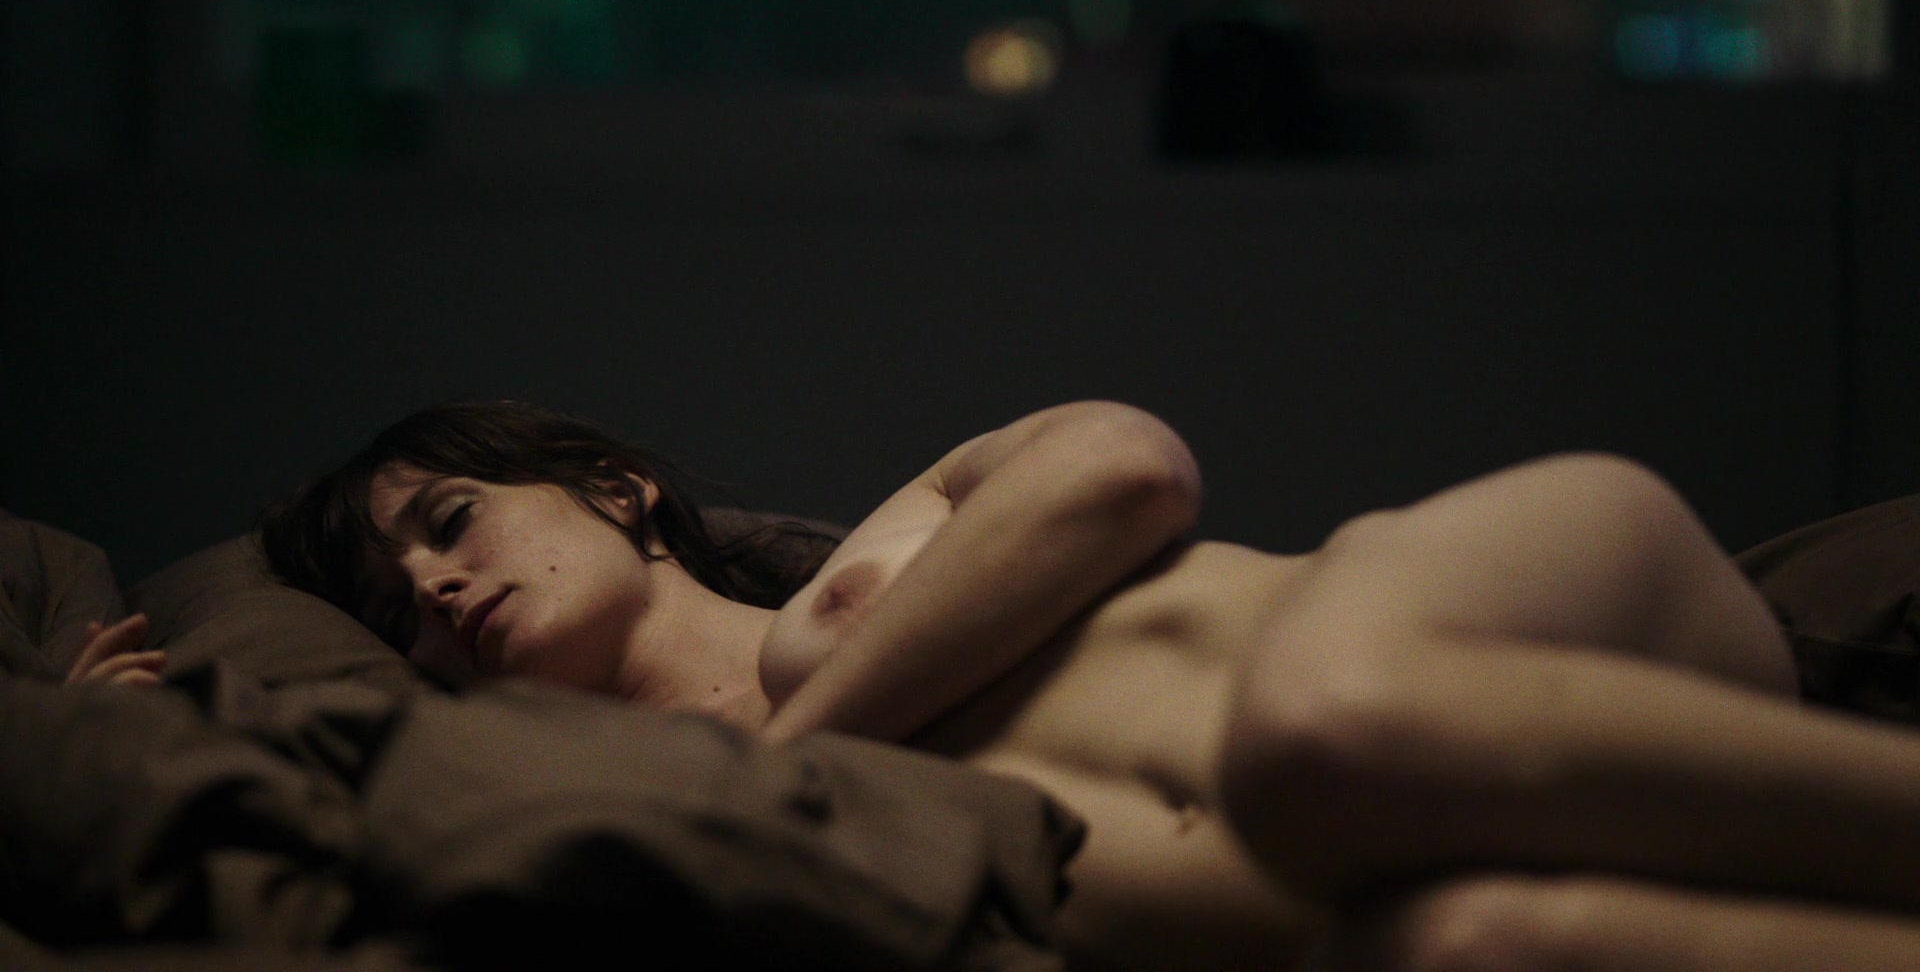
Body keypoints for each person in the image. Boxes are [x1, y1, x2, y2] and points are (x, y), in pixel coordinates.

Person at [154, 398, 1920, 969]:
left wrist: (791, 740)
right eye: (396, 599)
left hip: (1524, 625)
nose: (435, 586)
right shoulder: (678, 836)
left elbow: (1126, 468)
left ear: (616, 492)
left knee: (1320, 735)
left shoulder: (857, 577)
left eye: (451, 522)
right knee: (1481, 950)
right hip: (1422, 868)